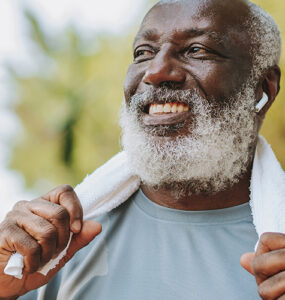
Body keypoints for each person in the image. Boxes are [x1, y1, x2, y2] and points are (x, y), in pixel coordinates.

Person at [0, 0, 283, 299]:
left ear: (262, 88)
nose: (156, 71)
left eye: (197, 49)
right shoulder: (56, 244)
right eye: (143, 53)